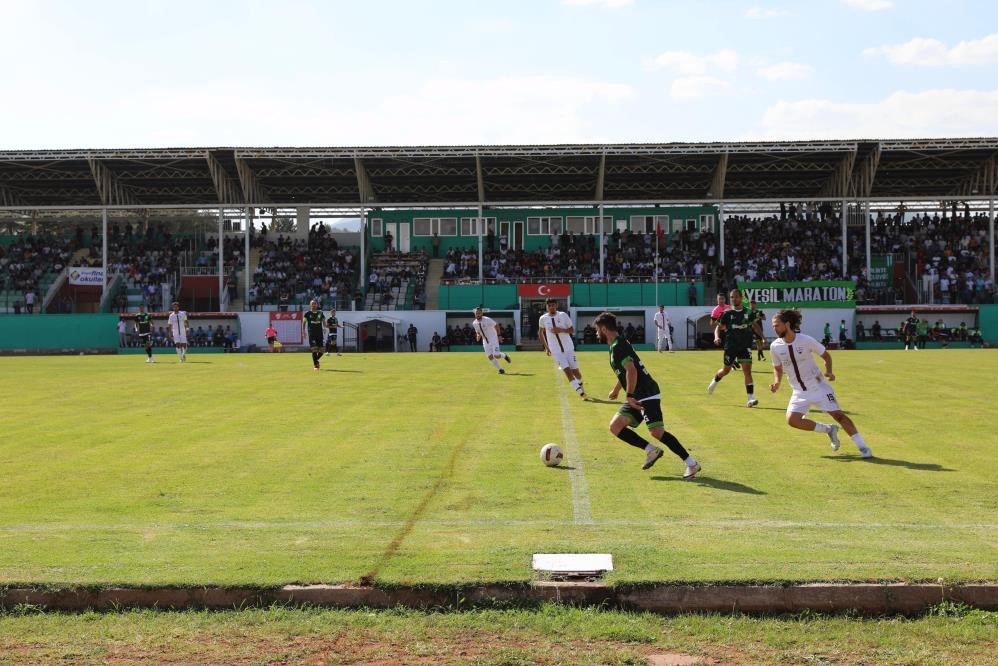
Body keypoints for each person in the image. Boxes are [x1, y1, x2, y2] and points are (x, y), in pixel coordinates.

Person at [593, 312, 700, 477]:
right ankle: (651, 450)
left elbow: (632, 371)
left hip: (646, 393)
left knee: (657, 432)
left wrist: (628, 395)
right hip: (637, 394)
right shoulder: (617, 344)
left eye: (597, 329)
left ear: (604, 329)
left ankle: (691, 464)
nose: (596, 333)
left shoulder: (618, 345)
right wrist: (616, 389)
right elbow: (625, 372)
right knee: (615, 426)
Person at [768, 308, 872, 458]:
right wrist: (777, 382)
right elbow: (777, 368)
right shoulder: (775, 346)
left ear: (787, 324)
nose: (774, 328)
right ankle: (829, 430)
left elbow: (826, 356)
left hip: (818, 387)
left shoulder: (806, 340)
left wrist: (829, 371)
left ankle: (864, 448)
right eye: (773, 326)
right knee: (792, 420)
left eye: (777, 325)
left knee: (839, 416)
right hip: (798, 391)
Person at [707, 289, 763, 407]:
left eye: (736, 297)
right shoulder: (727, 313)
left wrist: (762, 338)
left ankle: (750, 399)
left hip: (745, 346)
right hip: (731, 346)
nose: (734, 299)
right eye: (732, 297)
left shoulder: (748, 312)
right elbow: (718, 327)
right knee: (726, 371)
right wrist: (716, 337)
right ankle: (715, 380)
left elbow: (755, 325)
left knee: (747, 371)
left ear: (741, 298)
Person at [538, 298, 586, 399]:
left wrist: (561, 330)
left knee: (576, 373)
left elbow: (572, 330)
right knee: (567, 371)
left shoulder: (563, 315)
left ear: (556, 305)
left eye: (553, 305)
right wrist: (547, 348)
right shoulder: (543, 318)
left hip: (569, 348)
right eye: (549, 305)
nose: (551, 307)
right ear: (546, 307)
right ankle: (581, 393)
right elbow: (541, 333)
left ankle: (580, 385)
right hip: (556, 351)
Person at [473, 305, 512, 374]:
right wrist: (478, 336)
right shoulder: (474, 323)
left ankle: (504, 355)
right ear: (475, 314)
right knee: (490, 357)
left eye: (479, 313)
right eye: (476, 313)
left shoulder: (487, 319)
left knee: (496, 355)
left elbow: (496, 325)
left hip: (493, 338)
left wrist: (499, 335)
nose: (478, 314)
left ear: (482, 313)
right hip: (485, 341)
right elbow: (478, 332)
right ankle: (500, 369)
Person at [302, 299, 327, 370]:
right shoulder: (307, 314)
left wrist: (324, 327)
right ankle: (316, 365)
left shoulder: (320, 313)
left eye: (315, 304)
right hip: (312, 334)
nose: (313, 305)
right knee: (314, 350)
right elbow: (303, 323)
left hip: (320, 334)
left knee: (322, 350)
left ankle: (316, 360)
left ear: (317, 305)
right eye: (312, 304)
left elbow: (324, 321)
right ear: (310, 305)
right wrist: (303, 331)